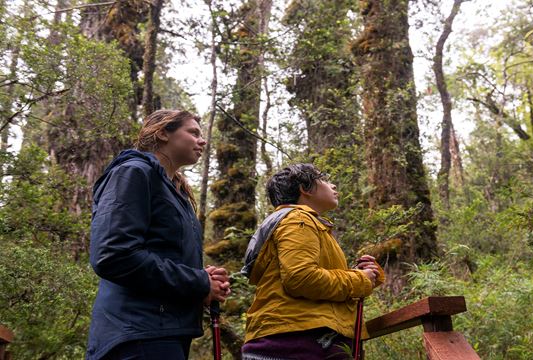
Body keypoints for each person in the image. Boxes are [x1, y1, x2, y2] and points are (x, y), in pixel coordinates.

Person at [86, 109, 231, 360]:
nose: (203, 140)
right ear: (164, 133)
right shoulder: (133, 172)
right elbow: (113, 254)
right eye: (193, 132)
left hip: (162, 331)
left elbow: (165, 256)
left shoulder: (177, 193)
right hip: (137, 333)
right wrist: (198, 281)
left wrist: (202, 284)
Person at [241, 163, 385, 360]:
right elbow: (302, 278)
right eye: (323, 179)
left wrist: (366, 277)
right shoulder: (298, 220)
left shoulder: (305, 224)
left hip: (298, 338)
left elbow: (311, 280)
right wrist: (359, 280)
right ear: (304, 188)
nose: (333, 185)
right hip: (298, 341)